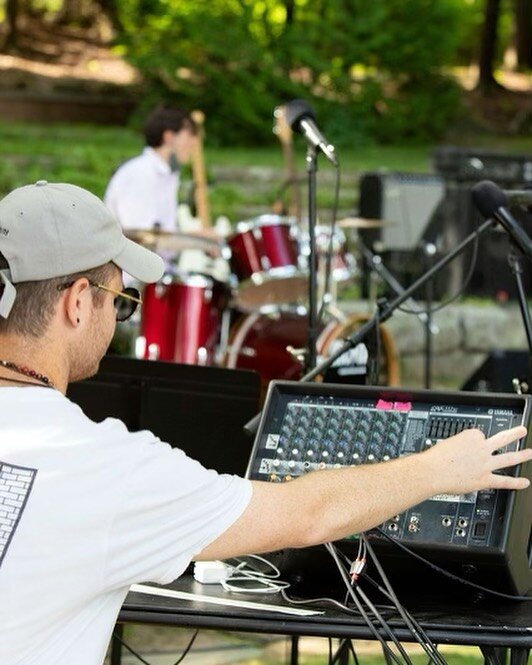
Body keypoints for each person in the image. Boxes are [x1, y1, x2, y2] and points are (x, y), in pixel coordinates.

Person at [0, 181, 530, 665]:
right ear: (75, 304)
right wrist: (437, 469)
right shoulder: (105, 469)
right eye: (122, 302)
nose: (122, 315)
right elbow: (306, 516)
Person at [104, 104, 198, 232]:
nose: (193, 143)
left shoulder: (168, 175)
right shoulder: (141, 173)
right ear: (169, 137)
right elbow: (140, 235)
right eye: (189, 135)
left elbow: (164, 232)